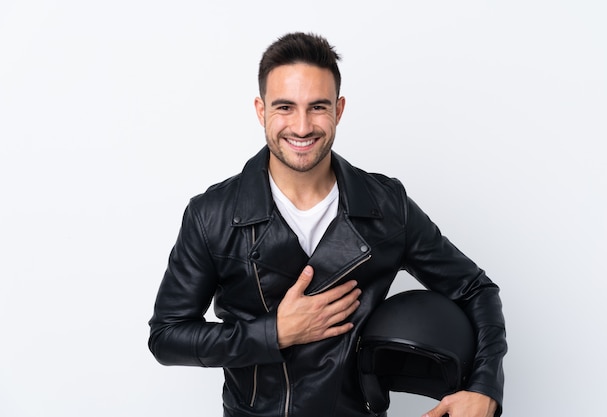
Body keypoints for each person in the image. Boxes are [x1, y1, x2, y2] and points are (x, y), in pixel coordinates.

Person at [148, 32, 507, 417]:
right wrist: (275, 332)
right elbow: (167, 337)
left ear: (339, 109)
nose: (301, 127)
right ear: (260, 110)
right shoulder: (211, 216)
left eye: (317, 107)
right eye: (284, 107)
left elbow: (475, 289)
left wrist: (484, 387)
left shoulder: (387, 207)